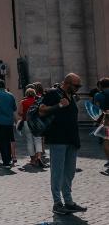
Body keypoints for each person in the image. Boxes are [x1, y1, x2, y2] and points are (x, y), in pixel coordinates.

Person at [35, 73, 86, 215]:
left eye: (79, 86)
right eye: (76, 86)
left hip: (72, 139)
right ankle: (57, 203)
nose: (78, 88)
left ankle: (69, 202)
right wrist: (58, 105)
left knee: (69, 172)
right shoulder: (53, 93)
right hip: (58, 139)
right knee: (57, 172)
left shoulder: (71, 96)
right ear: (67, 83)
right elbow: (42, 110)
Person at [18, 86, 44, 168]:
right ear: (34, 94)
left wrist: (25, 114)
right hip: (36, 122)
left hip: (26, 122)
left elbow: (20, 113)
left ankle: (32, 160)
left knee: (29, 141)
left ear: (26, 94)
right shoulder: (38, 101)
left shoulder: (23, 102)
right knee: (38, 140)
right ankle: (39, 157)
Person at [94, 77, 109, 175]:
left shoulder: (98, 95)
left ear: (100, 86)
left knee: (106, 142)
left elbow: (97, 110)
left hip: (107, 121)